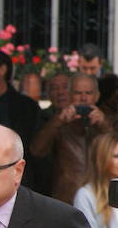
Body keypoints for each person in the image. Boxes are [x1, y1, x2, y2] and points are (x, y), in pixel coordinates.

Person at [30, 73, 111, 203]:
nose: (83, 98)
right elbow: (36, 151)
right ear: (69, 95)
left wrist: (104, 125)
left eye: (88, 93)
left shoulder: (106, 122)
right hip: (67, 200)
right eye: (78, 93)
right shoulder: (59, 123)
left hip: (101, 201)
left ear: (97, 96)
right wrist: (58, 121)